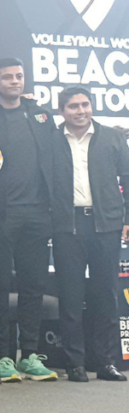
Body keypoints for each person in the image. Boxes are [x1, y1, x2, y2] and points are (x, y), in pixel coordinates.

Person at [0, 58, 57, 382]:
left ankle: (29, 355)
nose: (15, 81)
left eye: (19, 76)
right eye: (7, 77)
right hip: (0, 215)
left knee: (33, 286)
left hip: (38, 214)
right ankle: (1, 358)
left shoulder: (40, 115)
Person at [49, 86, 129, 383]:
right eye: (73, 106)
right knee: (70, 295)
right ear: (62, 111)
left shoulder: (112, 136)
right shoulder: (51, 139)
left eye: (85, 105)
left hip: (106, 225)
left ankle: (106, 362)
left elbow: (128, 177)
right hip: (67, 226)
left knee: (106, 293)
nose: (80, 111)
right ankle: (74, 364)